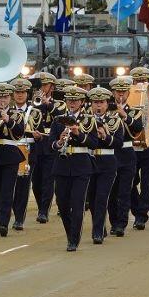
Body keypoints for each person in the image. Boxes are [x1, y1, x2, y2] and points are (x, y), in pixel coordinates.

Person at [49, 86, 99, 251]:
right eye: (69, 100)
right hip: (61, 166)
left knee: (77, 204)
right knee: (62, 204)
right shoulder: (58, 119)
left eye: (75, 100)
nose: (72, 103)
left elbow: (93, 143)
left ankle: (73, 239)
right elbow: (51, 144)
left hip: (81, 166)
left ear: (82, 102)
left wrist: (78, 133)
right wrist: (59, 142)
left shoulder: (89, 119)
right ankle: (70, 233)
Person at [107, 76, 143, 236]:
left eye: (123, 91)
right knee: (111, 192)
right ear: (113, 92)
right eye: (117, 92)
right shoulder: (107, 109)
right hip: (111, 154)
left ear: (128, 93)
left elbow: (137, 128)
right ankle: (114, 221)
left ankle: (121, 223)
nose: (120, 95)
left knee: (124, 191)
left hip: (127, 154)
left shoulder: (135, 111)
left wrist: (124, 115)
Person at [87, 86, 124, 243]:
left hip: (107, 163)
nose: (98, 106)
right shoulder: (85, 120)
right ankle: (100, 227)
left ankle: (97, 232)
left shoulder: (115, 121)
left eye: (101, 102)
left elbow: (119, 143)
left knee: (102, 197)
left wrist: (106, 137)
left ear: (107, 104)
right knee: (92, 198)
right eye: (95, 102)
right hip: (89, 162)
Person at [0, 83, 25, 236]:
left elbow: (19, 133)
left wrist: (8, 120)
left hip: (10, 155)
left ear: (10, 98)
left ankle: (4, 223)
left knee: (6, 191)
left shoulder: (17, 114)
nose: (2, 100)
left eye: (5, 97)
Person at [30, 72, 64, 223]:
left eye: (45, 85)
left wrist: (47, 104)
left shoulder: (60, 103)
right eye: (40, 85)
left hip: (50, 143)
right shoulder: (32, 103)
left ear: (52, 87)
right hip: (37, 142)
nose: (42, 88)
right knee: (36, 181)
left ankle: (44, 211)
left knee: (48, 179)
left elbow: (61, 117)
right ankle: (40, 206)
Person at [129, 67, 149, 230]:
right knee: (130, 181)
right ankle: (136, 207)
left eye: (144, 80)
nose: (140, 83)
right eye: (138, 80)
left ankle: (142, 214)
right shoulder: (127, 98)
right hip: (131, 146)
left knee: (147, 182)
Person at [10, 78, 38, 230]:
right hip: (10, 149)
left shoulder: (35, 111)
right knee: (7, 186)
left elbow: (40, 131)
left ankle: (19, 217)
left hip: (28, 151)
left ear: (27, 94)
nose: (20, 95)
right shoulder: (7, 110)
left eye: (22, 92)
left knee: (23, 186)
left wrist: (37, 135)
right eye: (17, 92)